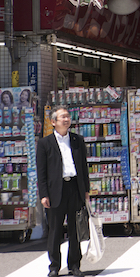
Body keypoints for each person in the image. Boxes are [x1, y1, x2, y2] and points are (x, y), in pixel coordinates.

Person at [37, 106, 90, 277]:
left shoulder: (77, 140)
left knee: (75, 229)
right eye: (62, 117)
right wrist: (43, 194)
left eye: (68, 116)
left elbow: (83, 167)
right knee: (55, 230)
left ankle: (74, 265)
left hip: (74, 188)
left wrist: (86, 190)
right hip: (55, 191)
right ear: (53, 122)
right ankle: (54, 266)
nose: (66, 119)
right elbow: (41, 172)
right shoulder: (45, 143)